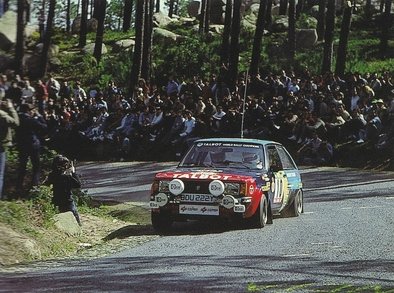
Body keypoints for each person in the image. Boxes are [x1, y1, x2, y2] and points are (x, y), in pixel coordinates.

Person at [15, 103, 47, 194]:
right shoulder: (31, 120)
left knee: (22, 166)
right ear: (29, 111)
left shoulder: (17, 120)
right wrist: (40, 117)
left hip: (21, 145)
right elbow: (44, 127)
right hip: (33, 145)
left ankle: (18, 186)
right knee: (36, 166)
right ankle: (34, 186)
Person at [47, 155, 82, 226]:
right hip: (67, 201)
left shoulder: (52, 175)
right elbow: (78, 184)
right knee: (75, 216)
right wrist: (73, 173)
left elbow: (47, 183)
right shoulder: (66, 177)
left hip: (56, 200)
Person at [0, 98, 19, 199]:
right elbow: (15, 122)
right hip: (1, 145)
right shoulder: (2, 115)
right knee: (0, 174)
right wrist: (11, 108)